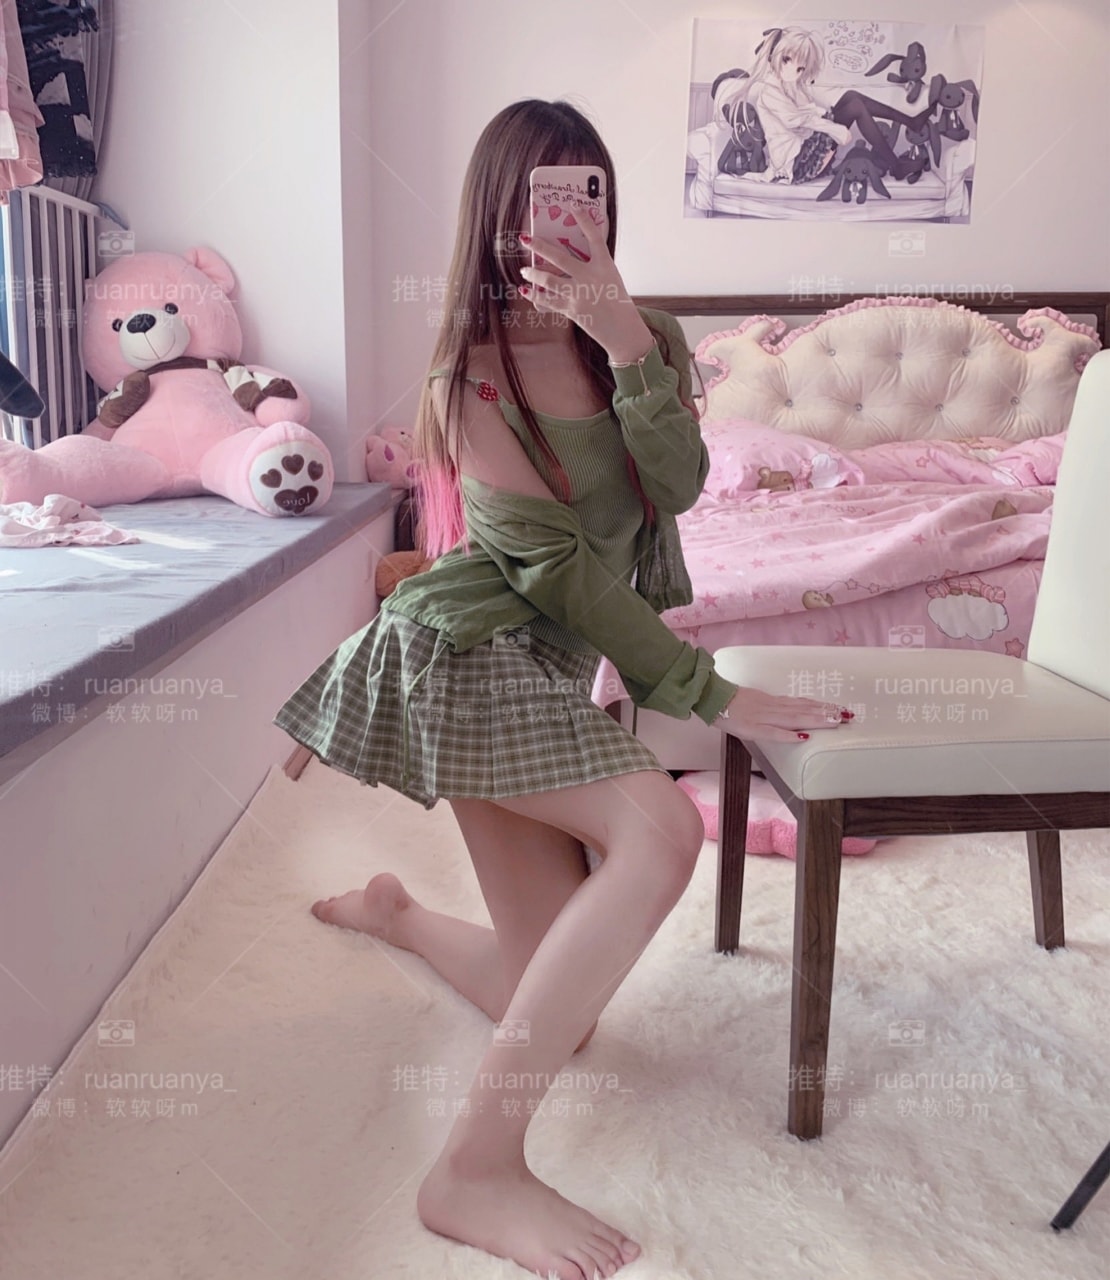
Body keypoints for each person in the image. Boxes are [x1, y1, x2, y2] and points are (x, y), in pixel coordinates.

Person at [274, 98, 849, 1280]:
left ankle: (395, 912)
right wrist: (705, 689)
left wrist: (629, 341)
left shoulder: (651, 336)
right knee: (659, 829)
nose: (563, 223)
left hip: (534, 660)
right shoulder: (471, 372)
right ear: (495, 217)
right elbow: (556, 570)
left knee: (558, 1010)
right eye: (539, 201)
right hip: (461, 653)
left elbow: (677, 489)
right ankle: (472, 1169)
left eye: (586, 196)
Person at [715, 26, 932, 184]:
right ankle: (897, 165)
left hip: (805, 147)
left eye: (800, 68)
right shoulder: (769, 92)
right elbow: (796, 119)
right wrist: (834, 128)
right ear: (774, 56)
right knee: (855, 106)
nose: (794, 71)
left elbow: (808, 110)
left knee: (851, 97)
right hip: (797, 163)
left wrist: (824, 114)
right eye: (787, 60)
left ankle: (910, 122)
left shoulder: (790, 85)